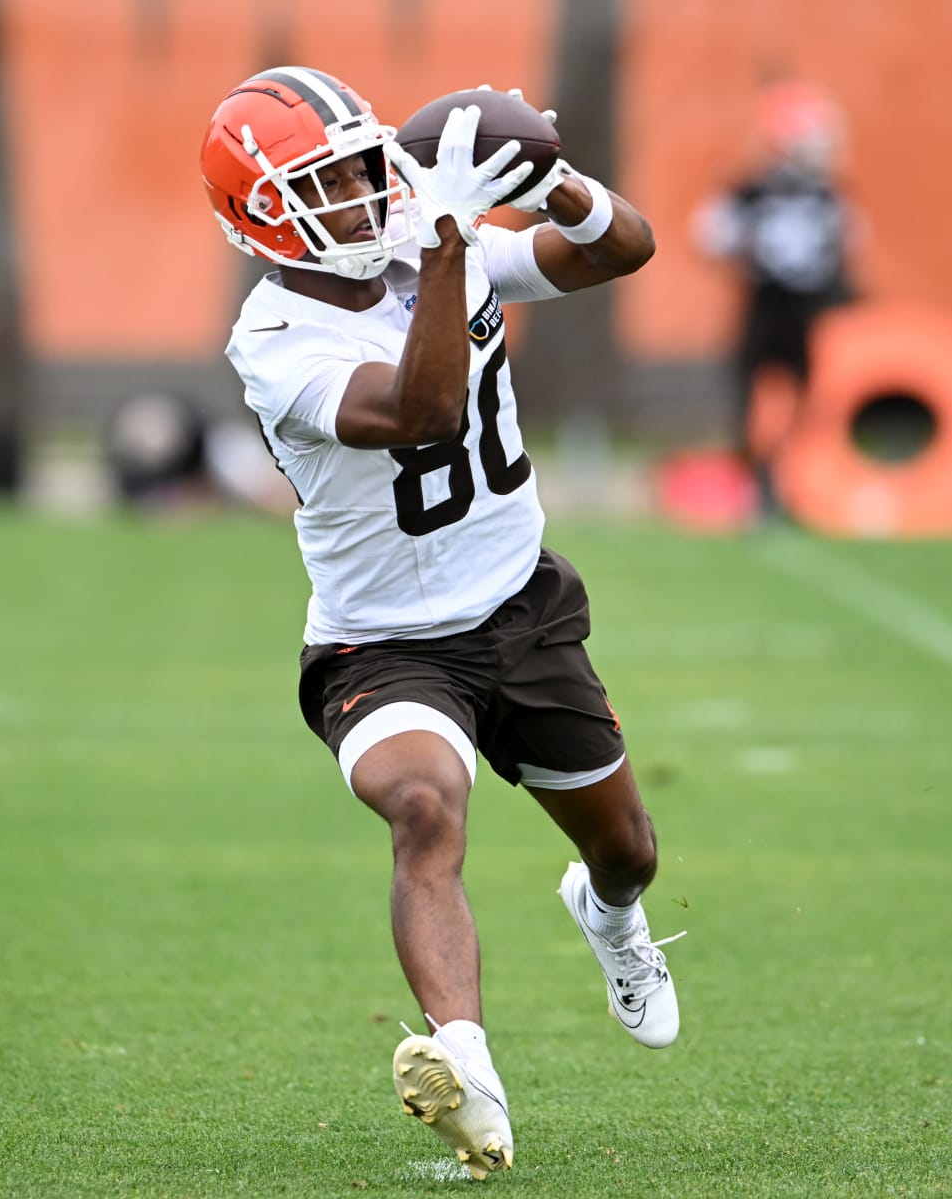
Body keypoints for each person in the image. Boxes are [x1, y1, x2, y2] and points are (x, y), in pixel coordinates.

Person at [201, 68, 680, 1180]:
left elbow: (623, 250)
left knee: (628, 852)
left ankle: (610, 920)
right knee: (424, 806)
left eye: (366, 169)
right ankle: (467, 1065)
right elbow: (420, 410)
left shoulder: (423, 225)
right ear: (262, 216)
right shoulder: (274, 339)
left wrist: (556, 185)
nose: (368, 199)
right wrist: (452, 235)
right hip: (384, 641)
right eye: (329, 184)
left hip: (519, 602)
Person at [692, 80, 857, 511]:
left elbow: (847, 244)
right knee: (750, 397)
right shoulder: (752, 191)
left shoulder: (829, 194)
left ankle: (792, 480)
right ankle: (754, 481)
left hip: (807, 310)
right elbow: (710, 236)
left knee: (807, 399)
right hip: (766, 305)